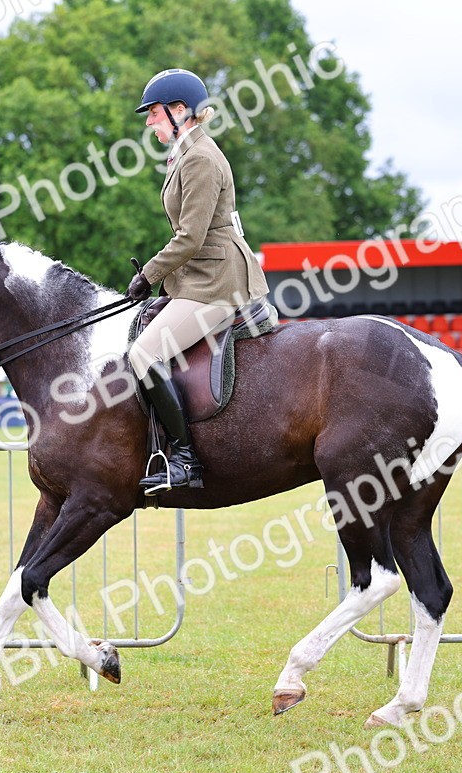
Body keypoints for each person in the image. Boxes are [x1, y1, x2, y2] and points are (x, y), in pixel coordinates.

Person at [126, 68, 269, 495]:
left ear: (180, 111)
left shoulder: (202, 158)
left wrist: (147, 275)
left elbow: (190, 236)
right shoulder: (186, 154)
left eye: (154, 113)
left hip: (218, 283)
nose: (149, 122)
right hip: (200, 277)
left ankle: (185, 460)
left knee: (144, 354)